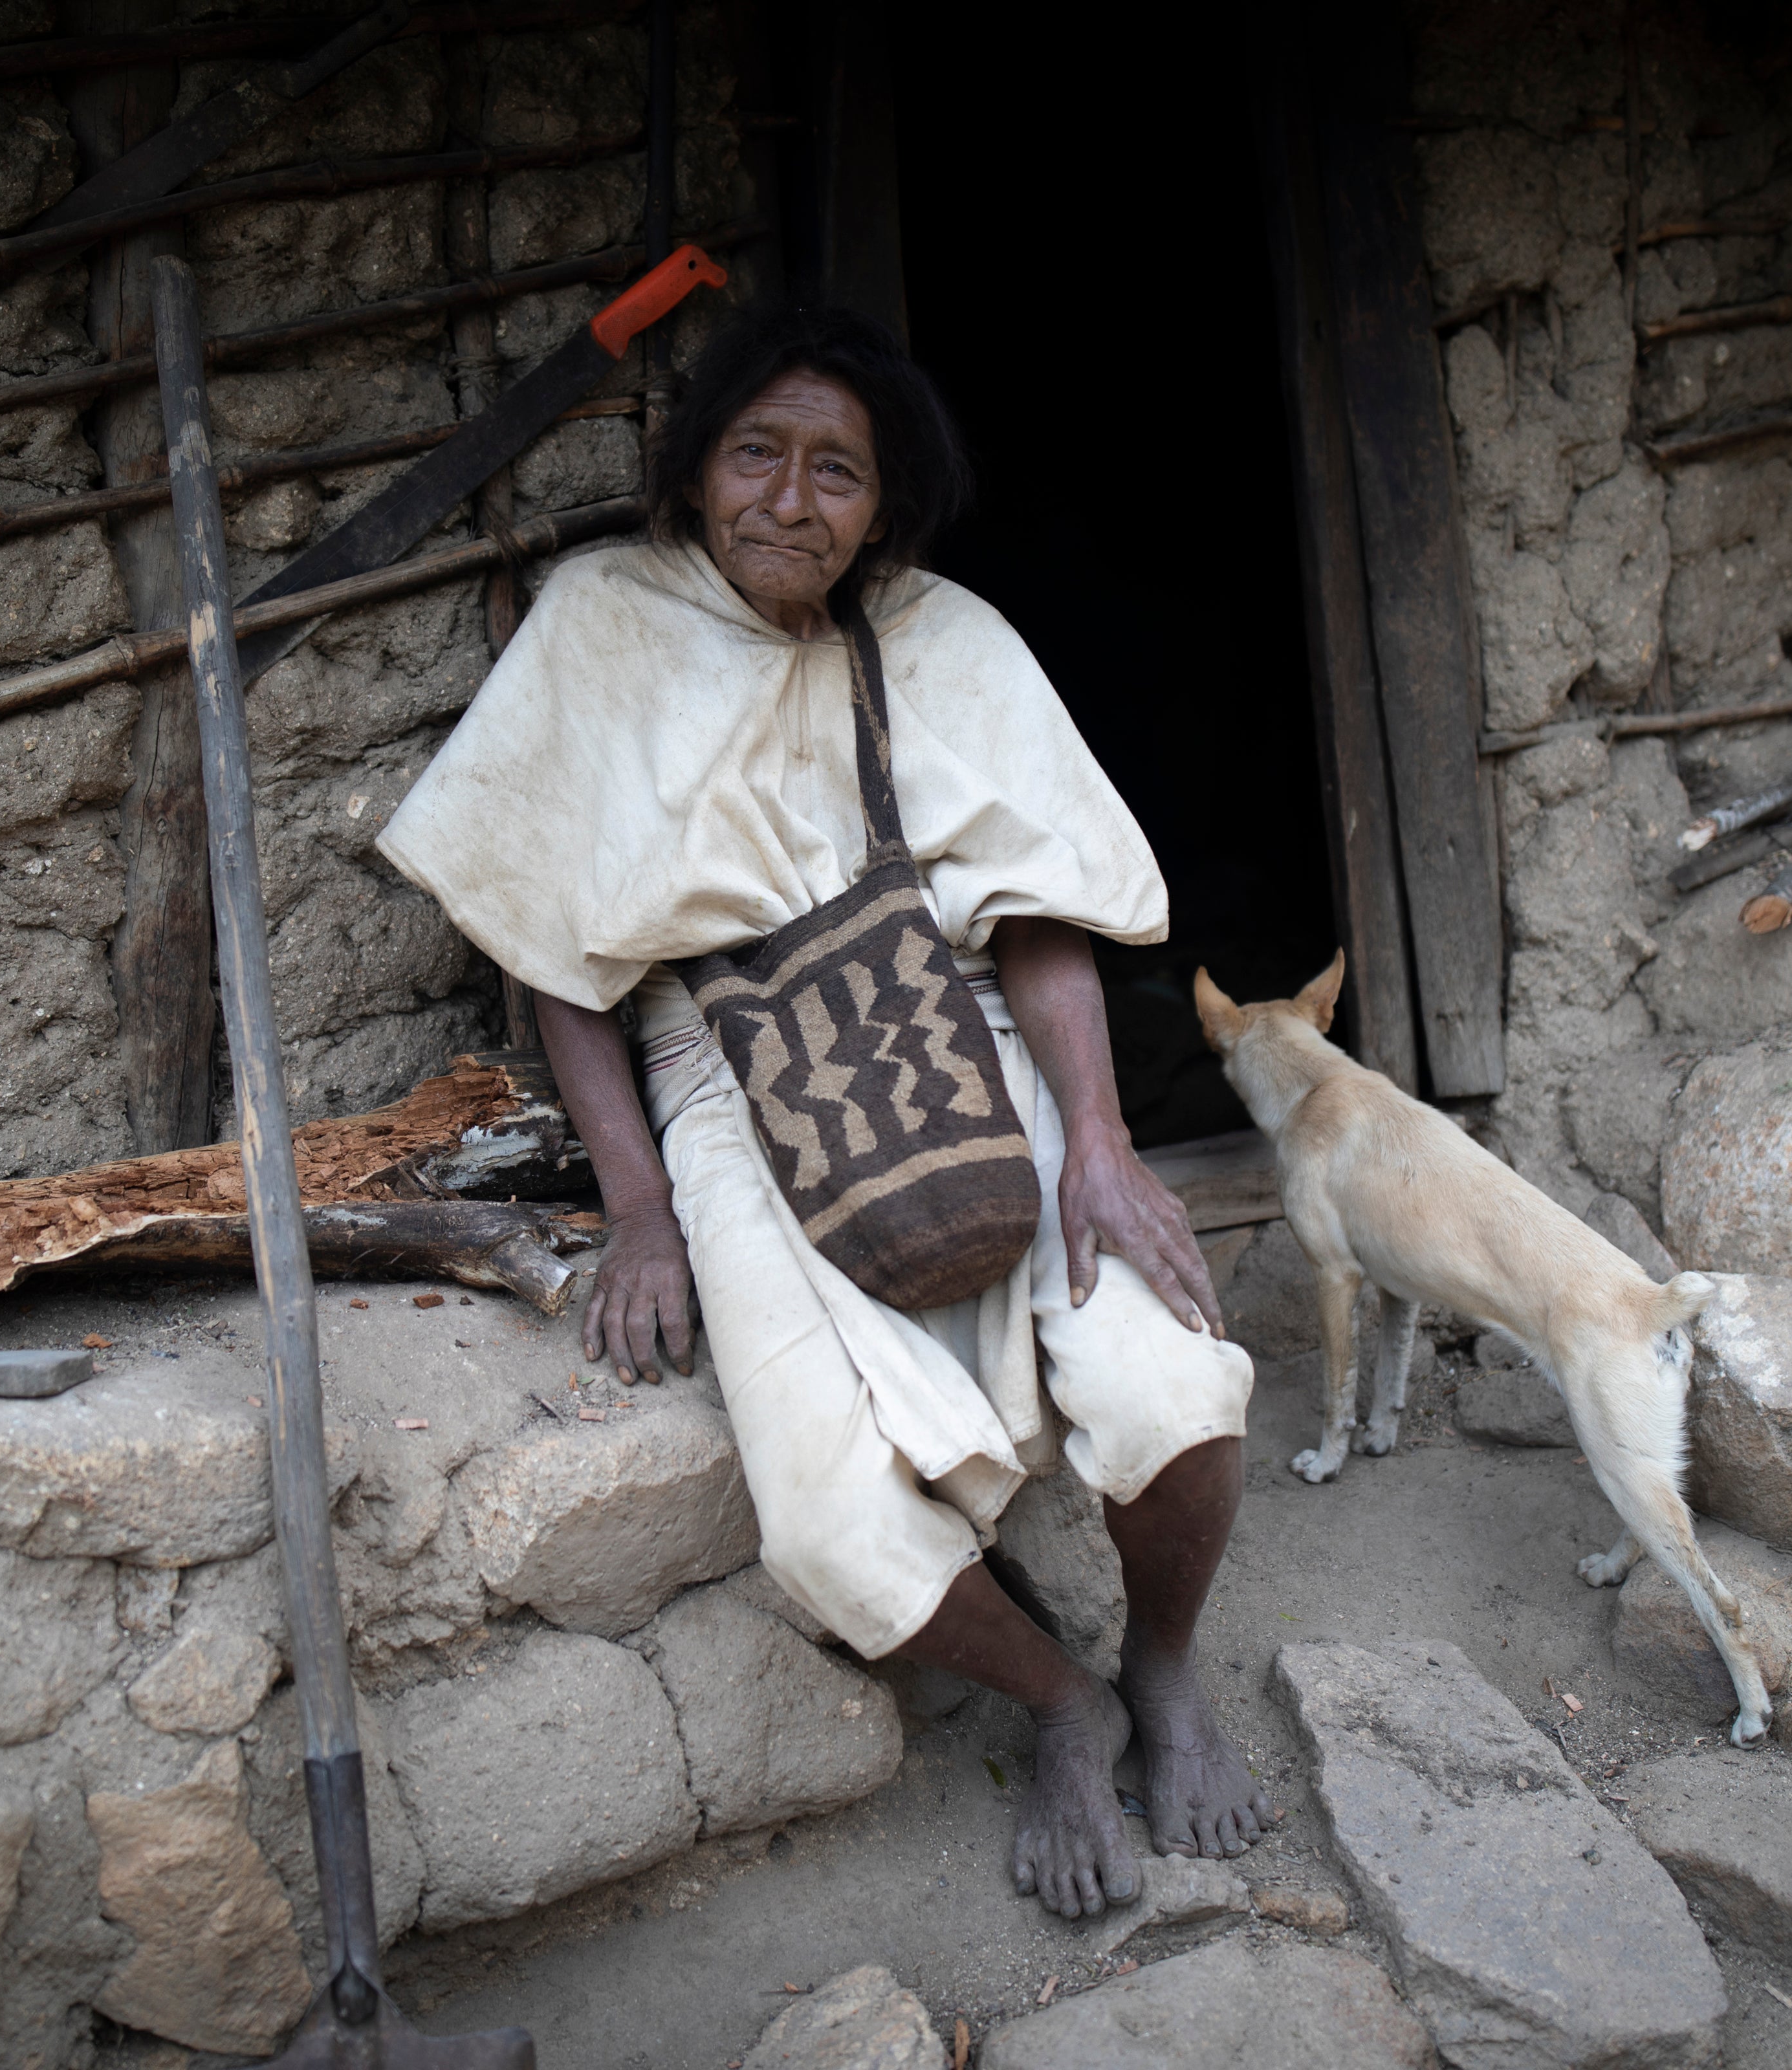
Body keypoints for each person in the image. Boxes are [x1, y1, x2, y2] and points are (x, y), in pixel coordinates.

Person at [380, 304, 1273, 1918]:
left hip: (955, 1020)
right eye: (756, 455)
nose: (789, 502)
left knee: (1173, 1386)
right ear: (694, 470)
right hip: (722, 1071)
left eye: (837, 472)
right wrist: (641, 1206)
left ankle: (1158, 1664)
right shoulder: (605, 622)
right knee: (830, 1526)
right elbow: (555, 960)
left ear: (889, 505)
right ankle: (1058, 1701)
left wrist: (1104, 1141)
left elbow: (1038, 907)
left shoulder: (943, 636)